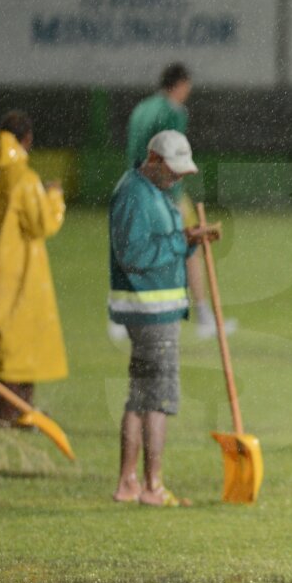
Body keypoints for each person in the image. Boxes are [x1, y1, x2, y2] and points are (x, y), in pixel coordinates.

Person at [109, 130, 220, 506]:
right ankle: (152, 487)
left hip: (151, 309)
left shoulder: (149, 191)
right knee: (157, 400)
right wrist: (181, 242)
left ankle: (129, 483)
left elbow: (150, 240)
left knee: (141, 398)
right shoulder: (134, 193)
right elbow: (134, 253)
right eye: (173, 172)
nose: (177, 180)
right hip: (150, 311)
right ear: (154, 160)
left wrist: (185, 235)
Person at [119, 62, 232, 341]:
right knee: (193, 247)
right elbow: (172, 155)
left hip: (137, 186)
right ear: (180, 85)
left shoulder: (142, 108)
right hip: (165, 192)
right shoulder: (173, 112)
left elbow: (136, 150)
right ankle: (204, 315)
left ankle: (125, 312)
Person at [0, 111, 67, 427]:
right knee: (22, 346)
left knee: (4, 347)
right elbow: (42, 224)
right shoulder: (23, 178)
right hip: (19, 274)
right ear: (27, 140)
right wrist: (55, 197)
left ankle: (9, 413)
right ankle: (13, 414)